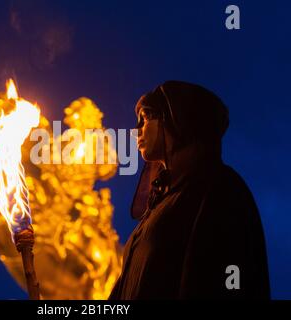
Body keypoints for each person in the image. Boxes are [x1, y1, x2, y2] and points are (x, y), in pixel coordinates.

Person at [108, 80, 270, 299]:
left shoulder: (221, 189)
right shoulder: (157, 207)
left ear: (176, 120)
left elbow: (234, 282)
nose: (137, 130)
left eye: (146, 118)